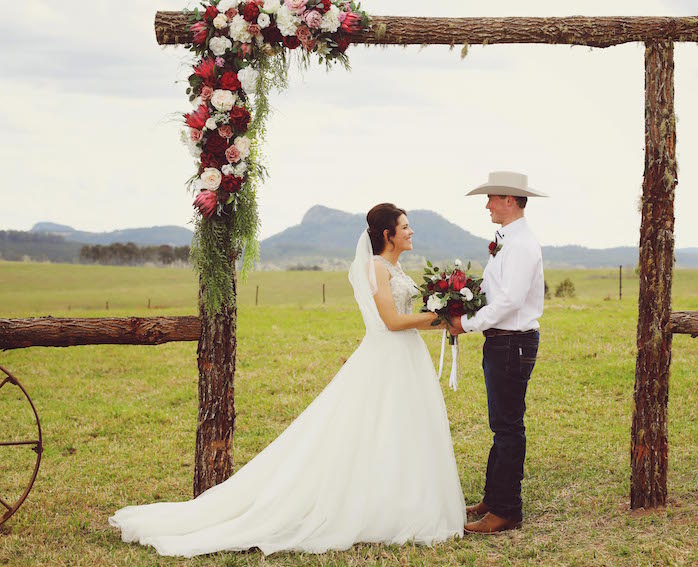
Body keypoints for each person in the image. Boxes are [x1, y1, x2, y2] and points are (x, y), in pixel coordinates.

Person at [110, 203, 465, 557]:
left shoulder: (394, 267)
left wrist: (440, 313)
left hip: (405, 357)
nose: (411, 231)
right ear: (388, 235)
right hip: (388, 356)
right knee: (371, 428)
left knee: (399, 429)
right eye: (405, 226)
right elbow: (390, 320)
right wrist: (437, 318)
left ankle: (401, 498)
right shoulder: (376, 267)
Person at [449, 171, 546, 534]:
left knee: (507, 426)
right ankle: (494, 497)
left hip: (512, 341)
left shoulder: (521, 245)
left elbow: (508, 302)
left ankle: (507, 510)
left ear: (509, 200)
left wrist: (466, 323)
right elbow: (495, 293)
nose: (486, 205)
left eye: (491, 198)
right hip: (503, 340)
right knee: (501, 424)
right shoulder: (507, 241)